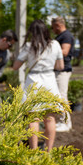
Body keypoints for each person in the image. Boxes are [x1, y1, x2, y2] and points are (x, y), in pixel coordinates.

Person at [11, 19, 64, 152]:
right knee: (50, 118)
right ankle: (48, 152)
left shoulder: (29, 46)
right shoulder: (55, 44)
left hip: (33, 81)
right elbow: (60, 66)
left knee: (33, 119)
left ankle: (33, 151)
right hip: (49, 81)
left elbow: (16, 67)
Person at [50, 17, 75, 132]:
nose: (52, 29)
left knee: (61, 96)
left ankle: (65, 123)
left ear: (58, 25)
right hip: (58, 71)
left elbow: (64, 52)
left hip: (63, 71)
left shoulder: (66, 36)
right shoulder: (61, 36)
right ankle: (61, 121)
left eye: (52, 27)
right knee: (57, 96)